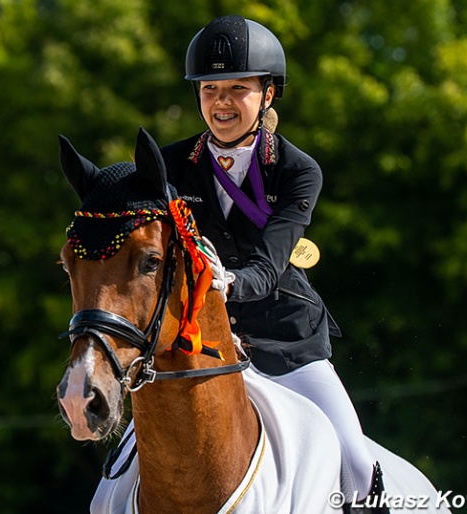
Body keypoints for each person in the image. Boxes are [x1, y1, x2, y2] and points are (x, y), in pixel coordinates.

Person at [160, 15, 387, 513]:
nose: (220, 101)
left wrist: (226, 281)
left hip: (286, 343)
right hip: (202, 349)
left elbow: (265, 269)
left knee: (354, 465)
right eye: (210, 88)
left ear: (267, 95)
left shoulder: (297, 170)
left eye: (237, 88)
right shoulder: (168, 166)